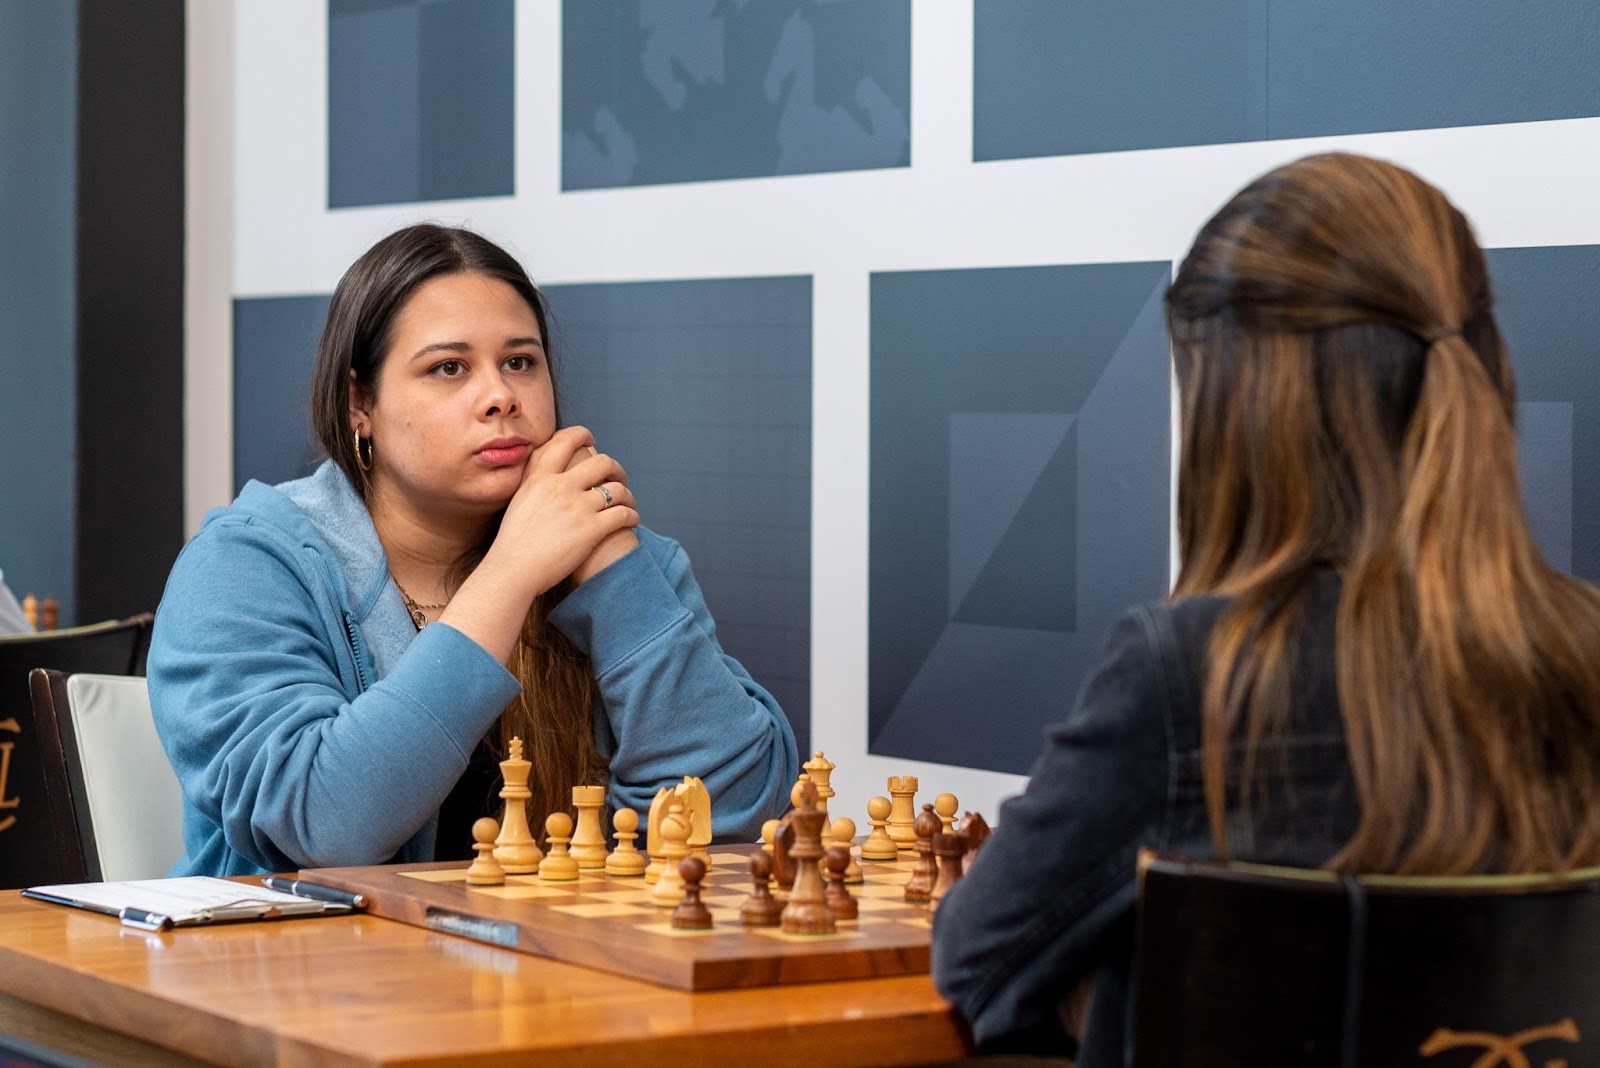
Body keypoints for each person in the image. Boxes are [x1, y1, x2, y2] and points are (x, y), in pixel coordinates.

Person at [931, 153, 1600, 1065]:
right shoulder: (1583, 651)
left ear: (1242, 411)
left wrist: (1111, 988)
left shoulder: (1185, 673)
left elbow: (974, 958)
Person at [148, 224, 799, 877]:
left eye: (519, 362)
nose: (500, 397)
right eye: (448, 368)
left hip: (557, 941)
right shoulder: (243, 565)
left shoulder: (623, 557)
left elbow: (730, 814)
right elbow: (326, 825)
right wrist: (510, 573)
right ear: (359, 403)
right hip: (316, 941)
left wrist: (613, 570)